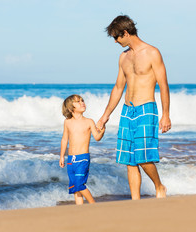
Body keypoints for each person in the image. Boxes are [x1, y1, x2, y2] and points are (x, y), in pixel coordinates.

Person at [96, 15, 171, 200]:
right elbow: (118, 88)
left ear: (126, 33)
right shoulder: (123, 57)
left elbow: (163, 85)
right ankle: (135, 202)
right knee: (129, 160)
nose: (115, 41)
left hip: (146, 108)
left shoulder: (152, 53)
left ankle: (159, 186)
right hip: (127, 111)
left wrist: (166, 115)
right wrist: (105, 115)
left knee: (144, 157)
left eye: (116, 37)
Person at [60, 94, 105, 205]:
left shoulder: (89, 121)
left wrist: (102, 131)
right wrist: (62, 156)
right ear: (71, 108)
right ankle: (80, 209)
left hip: (83, 158)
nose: (82, 102)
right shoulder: (67, 122)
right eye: (78, 102)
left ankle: (93, 204)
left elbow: (97, 137)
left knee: (80, 184)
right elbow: (65, 139)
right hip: (71, 159)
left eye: (82, 100)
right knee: (75, 187)